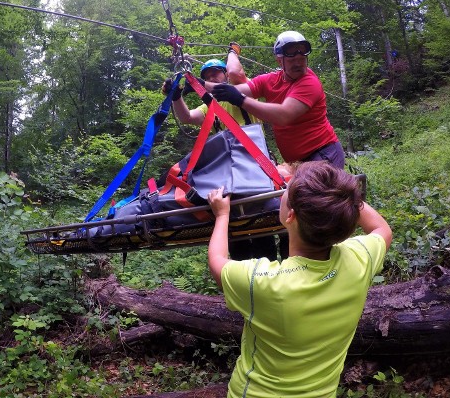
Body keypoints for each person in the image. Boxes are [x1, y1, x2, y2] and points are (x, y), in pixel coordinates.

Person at [206, 161, 392, 397]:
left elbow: (217, 260)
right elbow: (382, 229)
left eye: (286, 189)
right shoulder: (359, 259)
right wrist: (340, 196)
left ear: (290, 215)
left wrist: (222, 214)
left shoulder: (263, 282)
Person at [163, 49, 279, 261]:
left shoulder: (241, 92)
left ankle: (269, 269)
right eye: (207, 76)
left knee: (260, 219)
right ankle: (241, 275)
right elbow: (187, 117)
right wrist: (177, 97)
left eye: (216, 73)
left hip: (254, 162)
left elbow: (236, 77)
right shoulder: (210, 106)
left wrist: (203, 82)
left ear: (225, 75)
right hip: (226, 168)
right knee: (234, 224)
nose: (211, 78)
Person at [210, 31, 346, 169]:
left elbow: (284, 115)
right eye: (292, 60)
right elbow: (231, 90)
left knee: (303, 190)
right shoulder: (271, 80)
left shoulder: (309, 82)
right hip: (298, 162)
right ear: (280, 61)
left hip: (322, 154)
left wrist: (240, 100)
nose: (298, 64)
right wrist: (197, 84)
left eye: (302, 59)